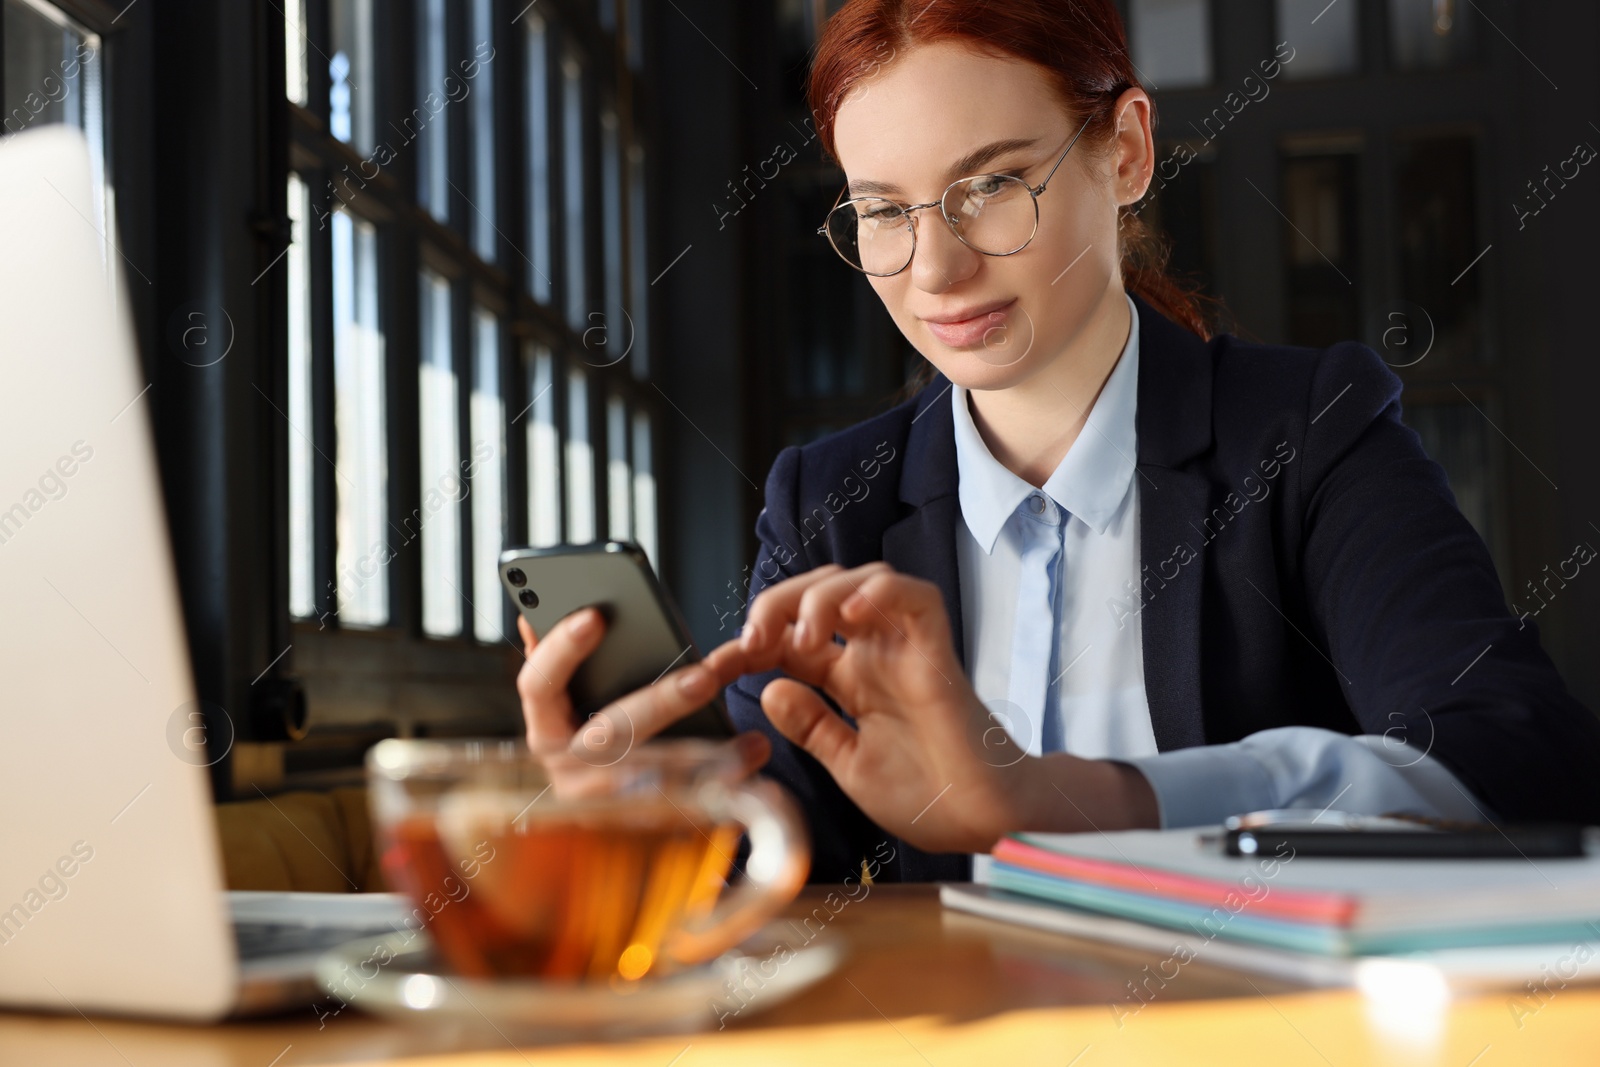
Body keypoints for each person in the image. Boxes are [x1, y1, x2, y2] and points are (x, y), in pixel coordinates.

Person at [518, 0, 1600, 884]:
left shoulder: (1308, 432)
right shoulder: (830, 500)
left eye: (988, 186)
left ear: (1124, 151)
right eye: (882, 210)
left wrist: (1079, 800)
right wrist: (645, 810)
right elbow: (772, 850)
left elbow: (1519, 758)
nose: (932, 271)